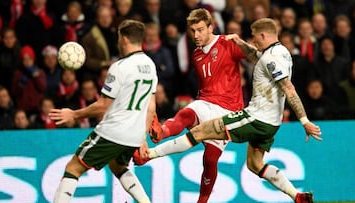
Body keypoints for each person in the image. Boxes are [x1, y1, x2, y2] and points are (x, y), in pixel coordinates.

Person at [135, 18, 322, 203]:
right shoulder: (279, 52)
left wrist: (304, 121)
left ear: (263, 35)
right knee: (255, 165)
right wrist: (240, 43)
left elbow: (289, 89)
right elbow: (255, 55)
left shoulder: (271, 58)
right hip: (271, 123)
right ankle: (296, 196)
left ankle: (149, 155)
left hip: (256, 118)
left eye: (255, 37)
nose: (253, 40)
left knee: (199, 131)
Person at [136, 8, 246, 203]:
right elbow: (206, 85)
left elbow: (253, 56)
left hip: (228, 111)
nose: (196, 35)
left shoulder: (227, 43)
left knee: (210, 160)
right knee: (186, 115)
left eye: (201, 30)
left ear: (211, 27)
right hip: (205, 101)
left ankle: (202, 200)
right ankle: (160, 131)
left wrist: (242, 43)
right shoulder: (196, 54)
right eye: (193, 31)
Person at [49, 19, 158, 203]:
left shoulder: (119, 67)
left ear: (123, 39)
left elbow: (103, 105)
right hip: (133, 134)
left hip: (113, 131)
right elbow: (151, 107)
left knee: (73, 168)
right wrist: (142, 137)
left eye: (118, 38)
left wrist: (74, 114)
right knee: (118, 166)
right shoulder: (150, 66)